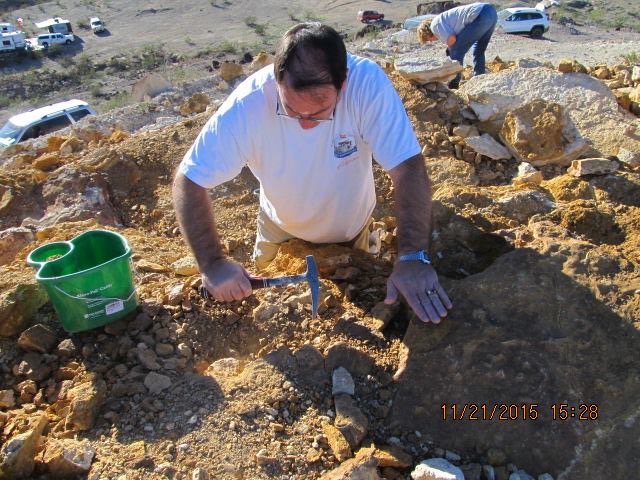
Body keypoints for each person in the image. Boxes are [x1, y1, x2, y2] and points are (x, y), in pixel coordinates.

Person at [172, 22, 452, 323]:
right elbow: (188, 180)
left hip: (353, 229)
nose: (304, 123)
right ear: (276, 80)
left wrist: (412, 257)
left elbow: (408, 168)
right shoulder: (247, 106)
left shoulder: (366, 86)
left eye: (319, 113)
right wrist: (212, 263)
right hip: (280, 230)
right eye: (291, 111)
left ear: (342, 83)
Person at [417, 3, 497, 89]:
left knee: (455, 50)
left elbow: (452, 39)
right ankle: (480, 78)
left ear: (427, 34)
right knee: (479, 49)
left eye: (428, 40)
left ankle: (453, 84)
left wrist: (449, 50)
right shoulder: (442, 20)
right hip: (491, 12)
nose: (431, 42)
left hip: (480, 15)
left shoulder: (435, 26)